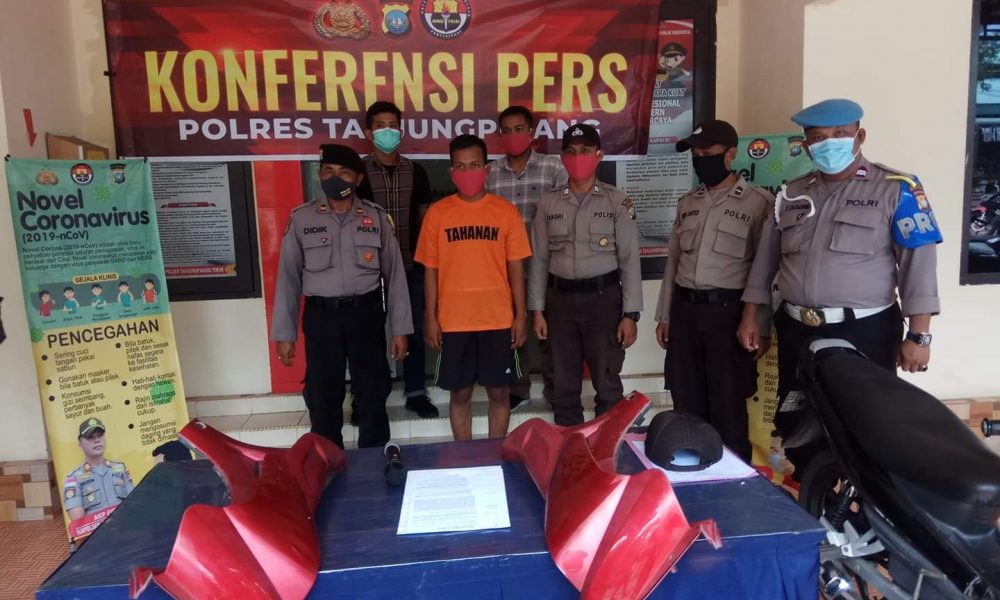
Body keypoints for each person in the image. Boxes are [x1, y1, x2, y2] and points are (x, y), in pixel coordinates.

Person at [737, 98, 942, 474]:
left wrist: (920, 336)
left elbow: (919, 263)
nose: (828, 143)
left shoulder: (897, 189)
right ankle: (813, 494)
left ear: (859, 137)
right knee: (798, 424)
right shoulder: (791, 194)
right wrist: (753, 317)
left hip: (865, 331)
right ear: (806, 145)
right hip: (798, 329)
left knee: (867, 425)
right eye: (818, 137)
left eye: (840, 134)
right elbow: (765, 264)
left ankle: (864, 503)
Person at [271, 144, 412, 449]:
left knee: (372, 389)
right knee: (322, 392)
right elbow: (288, 278)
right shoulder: (302, 219)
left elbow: (396, 276)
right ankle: (326, 459)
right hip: (322, 316)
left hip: (366, 315)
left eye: (344, 172)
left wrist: (400, 328)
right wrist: (284, 333)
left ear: (358, 179)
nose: (335, 178)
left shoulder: (376, 217)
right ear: (319, 175)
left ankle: (373, 460)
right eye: (328, 171)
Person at [653, 120, 773, 462]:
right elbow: (673, 263)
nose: (700, 159)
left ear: (730, 154)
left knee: (728, 405)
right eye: (696, 153)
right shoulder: (687, 203)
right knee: (686, 401)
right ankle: (693, 473)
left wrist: (760, 325)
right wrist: (665, 316)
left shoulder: (758, 203)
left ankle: (734, 478)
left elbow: (764, 270)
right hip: (686, 313)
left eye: (707, 152)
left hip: (729, 315)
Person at [414, 134, 532, 441]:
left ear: (486, 169)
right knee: (460, 394)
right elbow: (430, 270)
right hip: (454, 322)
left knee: (500, 393)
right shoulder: (437, 214)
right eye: (461, 166)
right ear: (451, 171)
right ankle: (464, 458)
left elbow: (516, 268)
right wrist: (430, 317)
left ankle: (495, 454)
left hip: (498, 320)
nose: (468, 172)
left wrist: (521, 315)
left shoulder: (505, 212)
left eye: (475, 165)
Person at [528, 124, 642, 426]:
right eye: (571, 151)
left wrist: (631, 314)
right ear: (563, 158)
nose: (578, 156)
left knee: (607, 381)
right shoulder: (548, 203)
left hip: (604, 303)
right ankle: (571, 447)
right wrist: (537, 311)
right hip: (559, 303)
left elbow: (629, 260)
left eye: (585, 150)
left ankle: (607, 447)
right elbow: (539, 259)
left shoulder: (618, 202)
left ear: (599, 155)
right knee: (563, 383)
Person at [356, 101, 438, 420]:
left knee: (412, 329)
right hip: (367, 270)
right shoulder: (358, 173)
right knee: (369, 334)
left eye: (392, 125)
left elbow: (425, 221)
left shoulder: (416, 172)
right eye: (380, 126)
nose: (387, 131)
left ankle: (416, 392)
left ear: (400, 130)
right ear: (368, 132)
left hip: (409, 266)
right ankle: (367, 398)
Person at [485, 105, 568, 411]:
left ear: (531, 132)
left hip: (547, 263)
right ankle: (518, 389)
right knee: (512, 330)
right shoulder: (490, 174)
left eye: (519, 129)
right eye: (506, 131)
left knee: (552, 331)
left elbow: (567, 211)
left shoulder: (553, 168)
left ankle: (556, 389)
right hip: (505, 266)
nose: (513, 135)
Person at [62, 418, 134, 520]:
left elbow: (134, 503)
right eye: (90, 437)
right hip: (98, 530)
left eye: (100, 436)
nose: (97, 440)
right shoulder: (74, 479)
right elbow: (79, 523)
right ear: (81, 445)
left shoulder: (119, 468)